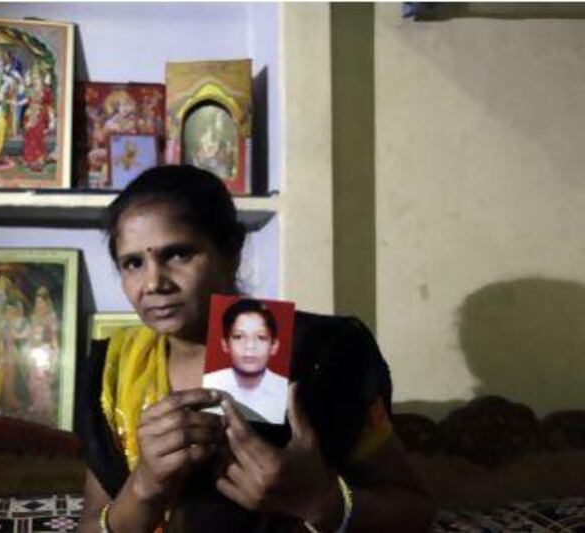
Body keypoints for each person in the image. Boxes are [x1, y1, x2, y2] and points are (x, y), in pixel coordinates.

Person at [77, 165, 436, 532]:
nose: (153, 282)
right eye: (133, 263)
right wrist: (144, 487)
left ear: (231, 250)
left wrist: (320, 500)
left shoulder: (322, 354)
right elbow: (91, 525)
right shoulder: (116, 369)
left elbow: (415, 510)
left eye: (179, 254)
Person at [202, 298, 289, 424]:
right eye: (239, 336)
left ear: (274, 346)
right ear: (225, 344)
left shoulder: (284, 391)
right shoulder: (210, 384)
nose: (250, 346)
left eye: (261, 337)